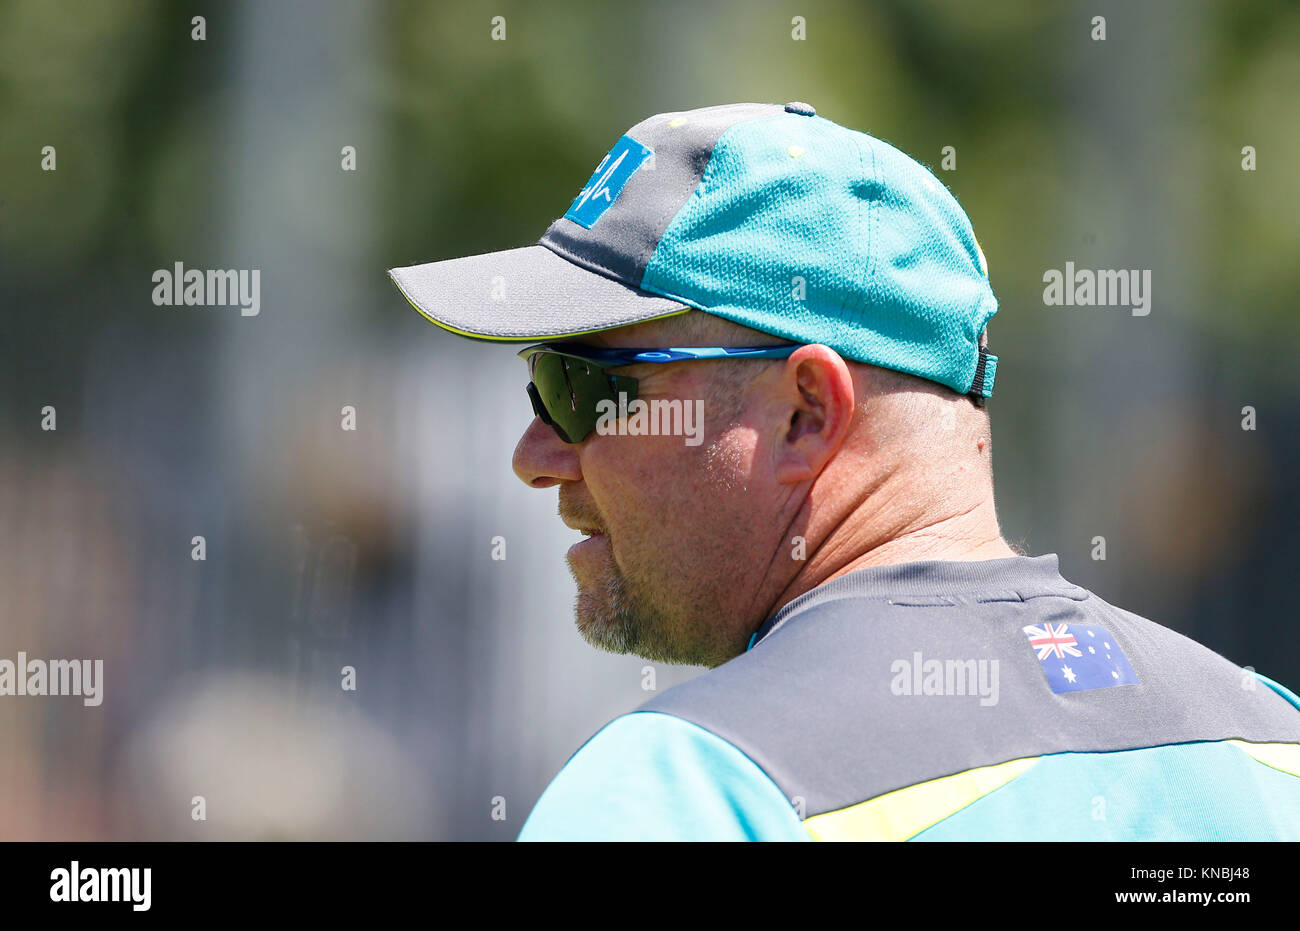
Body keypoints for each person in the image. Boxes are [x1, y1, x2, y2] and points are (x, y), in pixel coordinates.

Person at [389, 102, 1300, 840]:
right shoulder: (1267, 742)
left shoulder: (691, 789)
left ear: (806, 411)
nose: (534, 456)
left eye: (579, 386)